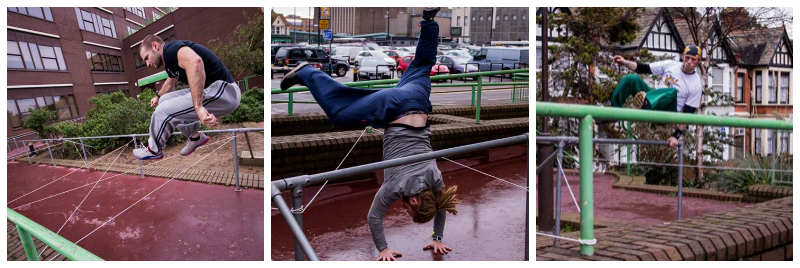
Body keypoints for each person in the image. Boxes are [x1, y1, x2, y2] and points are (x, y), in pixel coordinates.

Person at [280, 7, 458, 261]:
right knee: (340, 113)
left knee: (423, 63)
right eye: (407, 210)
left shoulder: (434, 178)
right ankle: (307, 71)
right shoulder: (396, 188)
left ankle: (429, 20)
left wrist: (437, 238)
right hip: (394, 107)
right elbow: (373, 217)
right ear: (416, 202)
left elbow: (441, 208)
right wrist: (383, 249)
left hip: (418, 99)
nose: (403, 208)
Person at [133, 35, 241, 160]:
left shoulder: (170, 50)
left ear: (155, 46)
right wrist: (158, 97)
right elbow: (169, 82)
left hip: (224, 91)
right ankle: (194, 137)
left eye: (147, 58)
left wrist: (198, 106)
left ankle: (153, 150)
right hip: (213, 90)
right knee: (164, 100)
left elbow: (195, 62)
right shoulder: (170, 62)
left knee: (163, 110)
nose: (147, 64)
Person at [608, 44, 704, 147]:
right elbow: (643, 68)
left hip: (667, 112)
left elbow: (688, 114)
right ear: (682, 56)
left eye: (693, 60)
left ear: (698, 62)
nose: (689, 62)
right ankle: (613, 111)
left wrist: (675, 136)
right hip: (653, 99)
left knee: (671, 92)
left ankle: (644, 103)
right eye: (687, 58)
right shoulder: (670, 65)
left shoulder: (696, 84)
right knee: (631, 79)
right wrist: (625, 62)